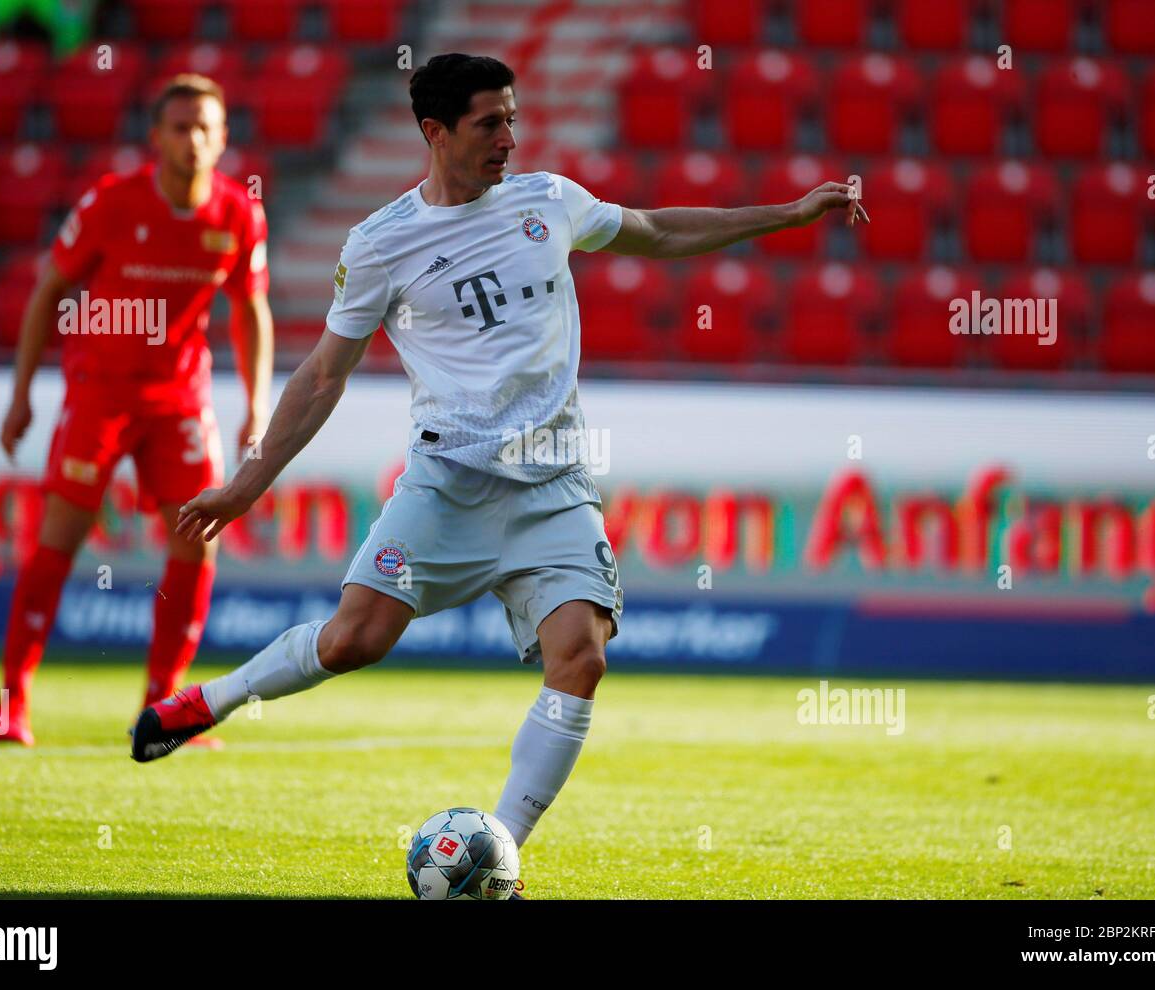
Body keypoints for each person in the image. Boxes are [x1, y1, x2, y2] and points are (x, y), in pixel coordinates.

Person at [132, 54, 865, 889]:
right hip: (448, 485)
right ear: (434, 132)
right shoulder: (380, 244)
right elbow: (324, 374)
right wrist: (248, 482)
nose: (509, 140)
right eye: (490, 124)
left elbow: (659, 232)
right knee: (350, 641)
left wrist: (789, 215)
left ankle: (499, 857)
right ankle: (210, 701)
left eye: (513, 120)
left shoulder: (548, 202)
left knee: (581, 656)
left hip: (553, 484)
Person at [0, 74, 273, 746]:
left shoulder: (239, 214)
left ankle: (163, 706)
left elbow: (251, 311)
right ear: (156, 138)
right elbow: (48, 291)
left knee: (197, 540)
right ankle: (11, 703)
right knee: (60, 534)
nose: (193, 140)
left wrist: (257, 405)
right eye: (180, 127)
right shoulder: (112, 203)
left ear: (224, 136)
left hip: (179, 397)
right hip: (100, 391)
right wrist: (22, 392)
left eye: (206, 127)